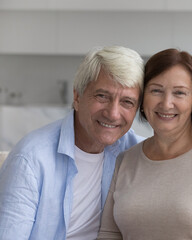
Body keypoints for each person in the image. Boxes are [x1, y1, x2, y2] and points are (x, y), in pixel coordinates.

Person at [97, 48, 192, 240]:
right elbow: (109, 234)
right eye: (156, 90)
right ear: (142, 98)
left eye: (179, 93)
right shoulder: (126, 160)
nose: (166, 103)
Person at [0, 46, 145, 240]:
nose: (112, 114)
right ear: (77, 96)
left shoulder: (136, 151)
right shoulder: (30, 159)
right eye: (102, 96)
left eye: (127, 102)